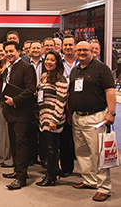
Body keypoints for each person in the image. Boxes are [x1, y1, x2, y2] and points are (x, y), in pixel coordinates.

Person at [69, 41, 116, 202]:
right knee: (82, 151)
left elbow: (109, 90)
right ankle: (90, 180)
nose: (82, 52)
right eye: (79, 50)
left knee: (97, 154)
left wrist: (111, 112)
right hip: (78, 117)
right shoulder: (75, 70)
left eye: (85, 50)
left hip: (96, 117)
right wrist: (70, 115)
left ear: (93, 51)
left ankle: (104, 187)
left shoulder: (101, 68)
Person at [0, 41, 36, 190]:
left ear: (18, 51)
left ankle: (22, 177)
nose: (9, 54)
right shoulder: (8, 68)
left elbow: (30, 89)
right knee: (14, 143)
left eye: (11, 51)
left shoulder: (27, 67)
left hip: (22, 112)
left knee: (21, 144)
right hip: (10, 112)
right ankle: (17, 171)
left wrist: (15, 100)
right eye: (6, 51)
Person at [35, 50, 67, 186]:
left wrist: (54, 119)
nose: (49, 62)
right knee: (47, 147)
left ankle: (51, 176)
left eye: (52, 60)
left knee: (52, 148)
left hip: (53, 119)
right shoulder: (44, 76)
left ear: (58, 62)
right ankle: (53, 171)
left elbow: (61, 101)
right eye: (47, 59)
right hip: (43, 117)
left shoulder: (60, 78)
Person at [59, 34, 79, 177]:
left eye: (70, 45)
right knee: (65, 138)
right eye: (65, 45)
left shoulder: (84, 62)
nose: (67, 47)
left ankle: (88, 171)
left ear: (75, 46)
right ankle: (66, 167)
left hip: (80, 104)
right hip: (63, 104)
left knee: (82, 140)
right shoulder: (59, 63)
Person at [0, 43, 13, 168]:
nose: (0, 53)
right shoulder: (0, 68)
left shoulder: (10, 67)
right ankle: (2, 156)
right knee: (2, 131)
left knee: (7, 132)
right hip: (0, 102)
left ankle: (8, 159)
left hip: (8, 103)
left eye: (3, 51)